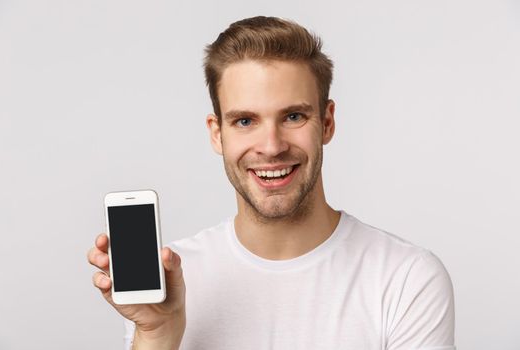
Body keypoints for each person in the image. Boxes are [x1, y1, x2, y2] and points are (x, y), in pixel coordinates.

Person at [88, 16, 456, 350]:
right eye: (245, 121)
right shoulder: (173, 282)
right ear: (217, 135)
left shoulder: (405, 278)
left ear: (327, 123)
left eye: (293, 116)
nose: (271, 147)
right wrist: (158, 334)